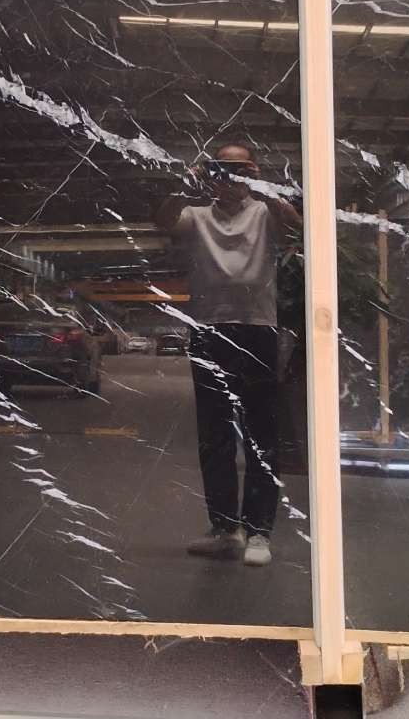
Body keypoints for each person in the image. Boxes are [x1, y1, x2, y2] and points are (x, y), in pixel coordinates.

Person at [156, 143, 301, 567]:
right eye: (223, 169)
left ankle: (259, 532)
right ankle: (225, 529)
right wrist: (189, 182)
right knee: (214, 435)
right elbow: (164, 220)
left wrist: (263, 186)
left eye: (240, 170)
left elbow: (296, 228)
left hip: (258, 329)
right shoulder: (197, 215)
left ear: (252, 172)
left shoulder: (265, 213)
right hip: (209, 330)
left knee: (261, 435)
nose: (231, 177)